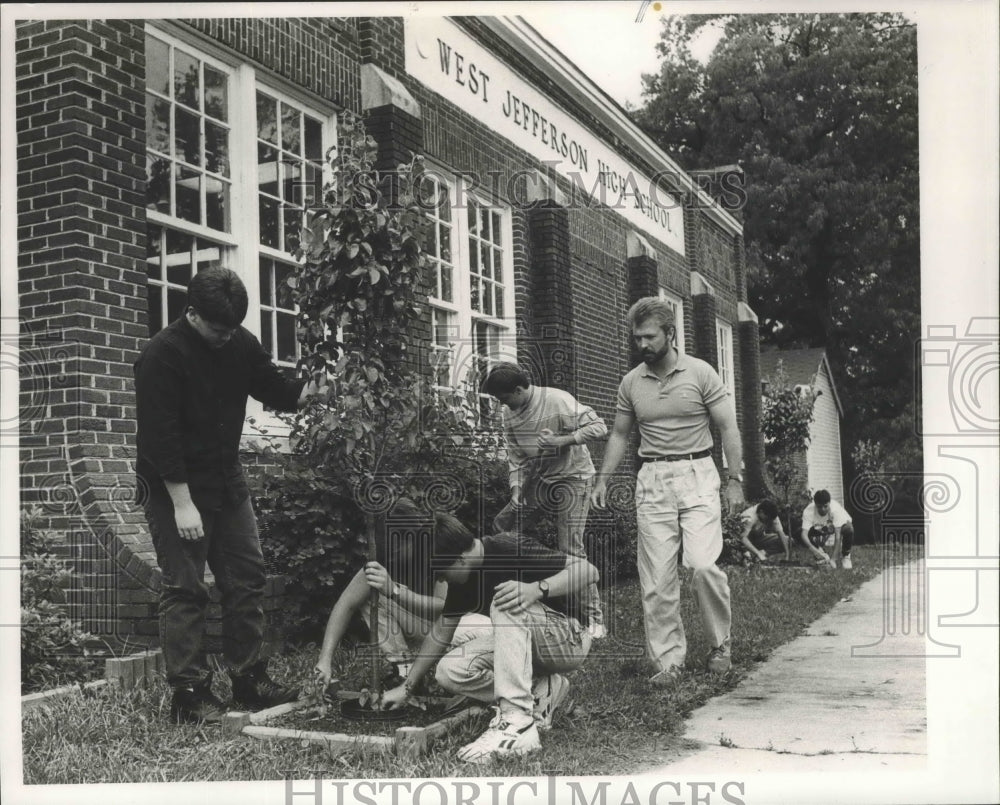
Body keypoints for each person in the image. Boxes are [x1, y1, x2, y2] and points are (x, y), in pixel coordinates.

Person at [134, 267, 326, 724]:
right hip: (171, 485)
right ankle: (189, 693)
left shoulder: (237, 342)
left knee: (247, 577)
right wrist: (182, 503)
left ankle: (249, 677)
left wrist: (310, 393)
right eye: (218, 329)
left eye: (232, 329)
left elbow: (271, 386)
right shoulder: (161, 356)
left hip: (225, 479)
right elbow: (160, 437)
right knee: (186, 587)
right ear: (193, 313)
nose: (226, 337)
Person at [592, 297, 744, 685]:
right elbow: (621, 434)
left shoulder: (701, 373)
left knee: (702, 565)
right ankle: (668, 661)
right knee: (656, 577)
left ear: (670, 333)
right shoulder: (631, 383)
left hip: (698, 472)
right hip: (653, 479)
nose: (641, 344)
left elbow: (728, 427)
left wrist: (735, 481)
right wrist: (604, 479)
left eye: (649, 336)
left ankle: (719, 644)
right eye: (636, 337)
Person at [380, 514, 597, 764]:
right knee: (449, 671)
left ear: (460, 560)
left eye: (440, 572)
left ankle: (517, 722)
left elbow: (588, 571)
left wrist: (536, 589)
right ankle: (542, 689)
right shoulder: (464, 579)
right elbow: (441, 632)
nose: (440, 580)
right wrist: (406, 687)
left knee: (504, 599)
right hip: (533, 642)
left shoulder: (507, 547)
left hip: (569, 639)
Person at [483, 362, 608, 638]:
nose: (501, 404)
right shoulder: (509, 411)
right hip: (539, 478)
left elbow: (599, 428)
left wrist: (562, 441)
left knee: (570, 549)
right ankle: (518, 601)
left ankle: (594, 620)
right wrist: (516, 490)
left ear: (518, 389)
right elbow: (515, 455)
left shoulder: (557, 400)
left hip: (574, 478)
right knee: (503, 528)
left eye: (503, 398)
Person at [313, 499, 488, 689]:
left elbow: (444, 607)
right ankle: (404, 670)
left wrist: (395, 591)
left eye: (396, 549)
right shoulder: (384, 559)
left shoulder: (436, 551)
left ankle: (454, 668)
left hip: (461, 628)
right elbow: (345, 605)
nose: (391, 556)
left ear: (411, 537)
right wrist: (325, 660)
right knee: (373, 593)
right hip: (427, 633)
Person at [801, 489, 855, 569]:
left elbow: (838, 537)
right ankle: (822, 553)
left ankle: (846, 556)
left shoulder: (835, 509)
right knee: (804, 532)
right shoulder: (808, 511)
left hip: (838, 526)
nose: (823, 509)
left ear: (829, 503)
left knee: (848, 529)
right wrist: (814, 550)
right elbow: (804, 534)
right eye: (819, 507)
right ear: (815, 504)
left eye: (825, 506)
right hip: (821, 526)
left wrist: (833, 559)